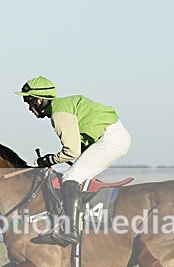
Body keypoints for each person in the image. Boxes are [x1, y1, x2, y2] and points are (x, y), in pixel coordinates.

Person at [16, 76, 131, 246]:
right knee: (75, 175)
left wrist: (49, 160)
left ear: (39, 101)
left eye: (29, 102)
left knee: (70, 177)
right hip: (112, 137)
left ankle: (71, 231)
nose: (29, 108)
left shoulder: (58, 113)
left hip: (111, 139)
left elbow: (71, 151)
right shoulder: (61, 107)